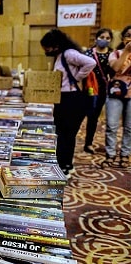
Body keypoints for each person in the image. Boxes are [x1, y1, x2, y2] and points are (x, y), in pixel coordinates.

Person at [40, 29, 95, 176]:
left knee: (68, 133)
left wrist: (77, 78)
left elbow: (91, 62)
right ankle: (61, 162)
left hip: (72, 99)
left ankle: (66, 165)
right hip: (63, 99)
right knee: (60, 133)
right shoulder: (59, 56)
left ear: (55, 45)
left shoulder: (68, 53)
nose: (46, 51)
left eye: (47, 47)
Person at [103, 25, 131, 168]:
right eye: (128, 35)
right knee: (111, 126)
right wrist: (126, 51)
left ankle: (125, 154)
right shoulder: (116, 53)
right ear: (123, 38)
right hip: (116, 94)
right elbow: (116, 68)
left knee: (129, 127)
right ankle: (110, 155)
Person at [83, 28, 113, 154]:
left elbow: (113, 72)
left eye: (107, 38)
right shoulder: (88, 53)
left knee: (93, 117)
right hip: (88, 87)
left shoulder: (112, 54)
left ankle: (88, 143)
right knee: (81, 114)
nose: (104, 40)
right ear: (96, 38)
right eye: (102, 37)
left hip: (102, 90)